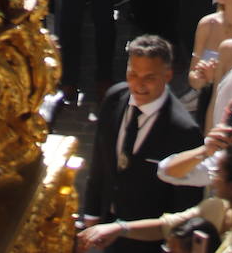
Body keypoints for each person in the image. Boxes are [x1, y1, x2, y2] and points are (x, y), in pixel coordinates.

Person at [81, 34, 204, 249]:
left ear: (168, 76)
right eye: (133, 74)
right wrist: (91, 216)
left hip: (149, 242)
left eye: (149, 78)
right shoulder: (114, 99)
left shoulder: (184, 131)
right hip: (106, 230)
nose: (139, 85)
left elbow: (184, 204)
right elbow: (100, 164)